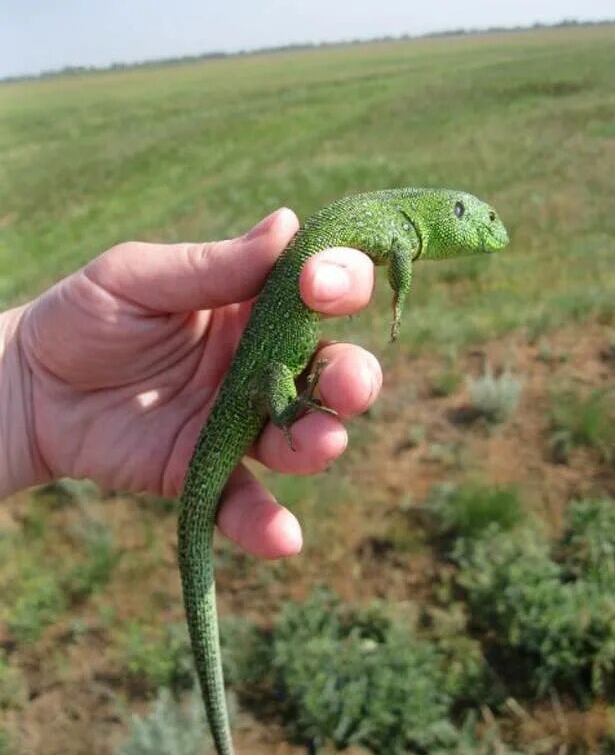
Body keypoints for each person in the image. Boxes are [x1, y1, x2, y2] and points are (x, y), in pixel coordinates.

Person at [0, 208, 382, 559]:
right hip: (255, 387)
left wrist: (23, 377)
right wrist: (22, 379)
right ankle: (286, 411)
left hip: (250, 387)